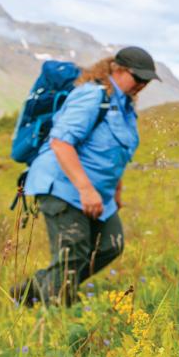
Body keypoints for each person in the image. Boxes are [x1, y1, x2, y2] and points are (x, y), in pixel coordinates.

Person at [12, 46, 157, 306]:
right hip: (63, 185)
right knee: (73, 253)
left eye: (147, 81)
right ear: (117, 69)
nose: (142, 85)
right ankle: (55, 320)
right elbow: (61, 144)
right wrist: (86, 189)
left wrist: (116, 190)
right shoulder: (91, 96)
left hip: (98, 191)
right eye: (138, 78)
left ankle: (34, 290)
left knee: (111, 244)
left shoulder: (124, 106)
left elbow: (115, 152)